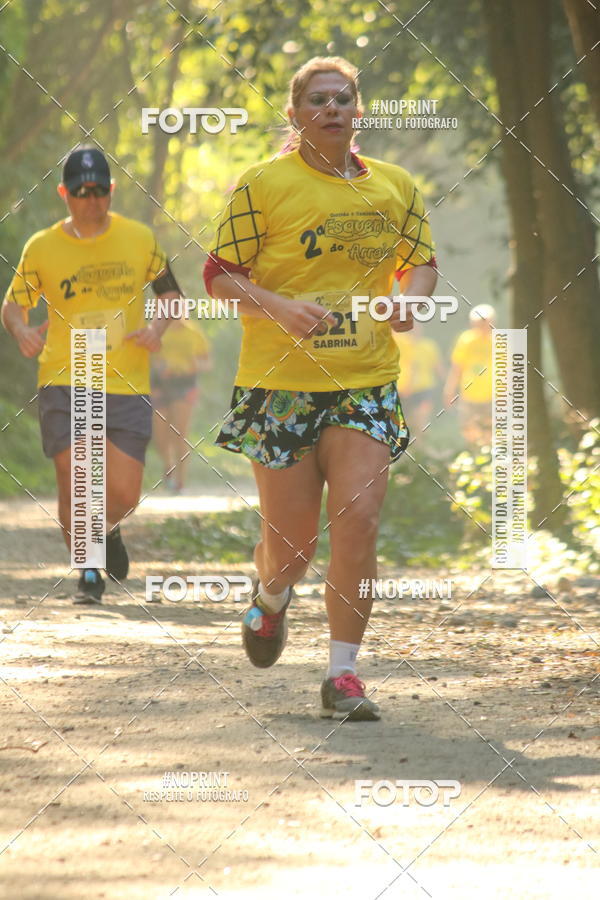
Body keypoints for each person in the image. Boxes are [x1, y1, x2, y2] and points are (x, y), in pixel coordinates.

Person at [204, 57, 437, 721]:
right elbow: (218, 277)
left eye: (342, 98)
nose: (331, 108)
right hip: (280, 385)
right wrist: (277, 305)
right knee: (295, 545)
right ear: (295, 114)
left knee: (359, 521)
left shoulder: (394, 187)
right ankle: (271, 595)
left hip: (363, 382)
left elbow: (421, 263)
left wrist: (409, 302)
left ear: (358, 111)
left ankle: (342, 676)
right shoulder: (263, 184)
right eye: (317, 99)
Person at [2, 146, 180, 603]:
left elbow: (171, 295)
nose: (92, 200)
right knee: (77, 477)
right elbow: (13, 306)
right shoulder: (41, 247)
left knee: (123, 493)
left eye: (100, 191)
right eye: (81, 192)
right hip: (65, 376)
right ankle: (88, 569)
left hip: (127, 381)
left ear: (112, 191)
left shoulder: (140, 238)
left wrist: (158, 327)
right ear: (64, 193)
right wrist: (22, 330)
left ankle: (107, 531)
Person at [151, 317, 212, 493]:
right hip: (161, 384)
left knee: (180, 434)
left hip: (185, 384)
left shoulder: (194, 332)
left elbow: (207, 362)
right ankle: (168, 464)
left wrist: (196, 364)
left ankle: (180, 482)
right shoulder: (158, 330)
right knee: (160, 434)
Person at [444, 304, 495, 446]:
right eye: (479, 323)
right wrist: (449, 390)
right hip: (468, 395)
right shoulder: (466, 340)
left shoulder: (498, 341)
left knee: (489, 433)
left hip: (491, 396)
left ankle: (486, 459)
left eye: (485, 322)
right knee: (469, 432)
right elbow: (457, 368)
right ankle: (474, 457)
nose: (482, 326)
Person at [393, 321, 444, 454]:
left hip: (424, 390)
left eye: (417, 327)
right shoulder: (400, 343)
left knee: (421, 421)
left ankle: (422, 453)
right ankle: (405, 454)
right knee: (405, 423)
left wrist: (447, 387)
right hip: (403, 391)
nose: (414, 330)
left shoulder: (429, 346)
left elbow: (439, 368)